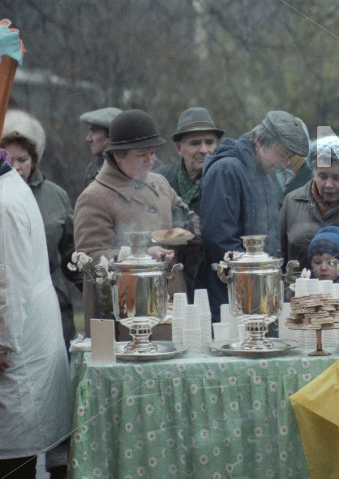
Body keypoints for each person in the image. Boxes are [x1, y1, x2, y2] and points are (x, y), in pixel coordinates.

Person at [73, 110, 201, 336]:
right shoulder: (94, 197)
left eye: (152, 153)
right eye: (142, 155)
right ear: (118, 155)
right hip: (125, 317)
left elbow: (187, 215)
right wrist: (140, 253)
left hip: (171, 307)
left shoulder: (160, 183)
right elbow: (89, 258)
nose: (151, 161)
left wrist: (192, 236)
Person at [0, 147, 74, 480]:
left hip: (18, 350)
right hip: (28, 341)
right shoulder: (12, 185)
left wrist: (3, 343)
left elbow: (8, 284)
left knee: (13, 469)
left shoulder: (3, 203)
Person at [200, 110, 310, 320]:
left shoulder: (265, 175)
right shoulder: (226, 170)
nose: (285, 164)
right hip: (231, 301)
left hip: (262, 299)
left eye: (290, 158)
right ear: (259, 141)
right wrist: (260, 279)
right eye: (281, 154)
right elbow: (220, 242)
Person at [1, 109, 77, 346]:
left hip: (52, 305)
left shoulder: (55, 196)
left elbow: (72, 256)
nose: (16, 167)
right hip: (8, 307)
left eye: (22, 159)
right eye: (8, 160)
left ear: (34, 159)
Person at [280, 135, 339, 269]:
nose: (328, 184)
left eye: (337, 177)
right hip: (301, 288)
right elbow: (279, 254)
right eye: (322, 176)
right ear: (314, 172)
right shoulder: (292, 201)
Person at [153, 107, 225, 216]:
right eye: (195, 143)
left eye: (209, 142)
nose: (204, 150)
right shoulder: (160, 180)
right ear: (178, 148)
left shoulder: (226, 180)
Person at [79, 106, 121, 187]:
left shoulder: (139, 166)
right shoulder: (92, 169)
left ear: (111, 134)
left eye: (94, 131)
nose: (88, 139)